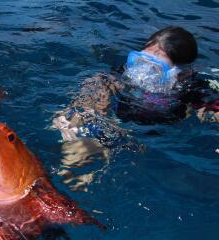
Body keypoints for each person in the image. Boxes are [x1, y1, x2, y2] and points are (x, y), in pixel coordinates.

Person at [52, 26, 219, 191]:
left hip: (154, 142)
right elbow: (100, 83)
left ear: (182, 74)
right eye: (139, 62)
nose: (142, 73)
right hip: (115, 127)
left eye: (155, 69)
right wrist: (79, 109)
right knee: (71, 158)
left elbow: (214, 111)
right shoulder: (128, 70)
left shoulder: (193, 88)